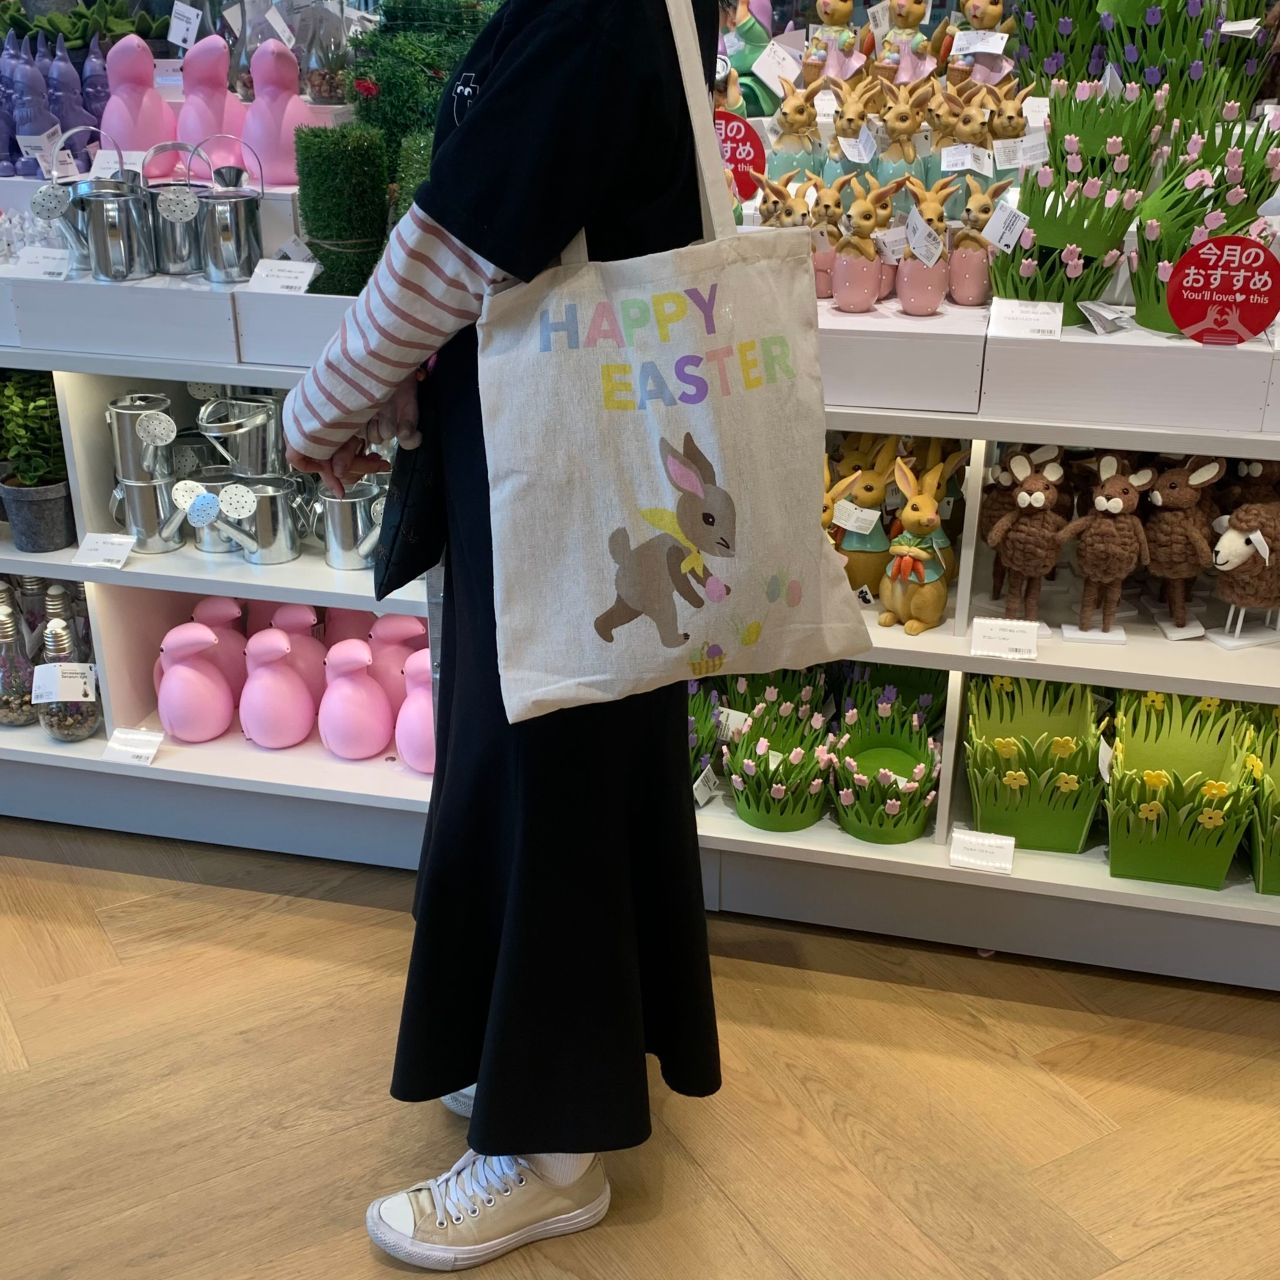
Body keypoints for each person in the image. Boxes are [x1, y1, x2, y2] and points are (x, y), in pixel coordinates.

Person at [282, 0, 723, 1270]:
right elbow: (518, 239)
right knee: (548, 771)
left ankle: (550, 1152)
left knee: (552, 779)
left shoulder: (587, 14)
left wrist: (324, 402)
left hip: (567, 490)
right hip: (574, 472)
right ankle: (542, 1072)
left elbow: (455, 242)